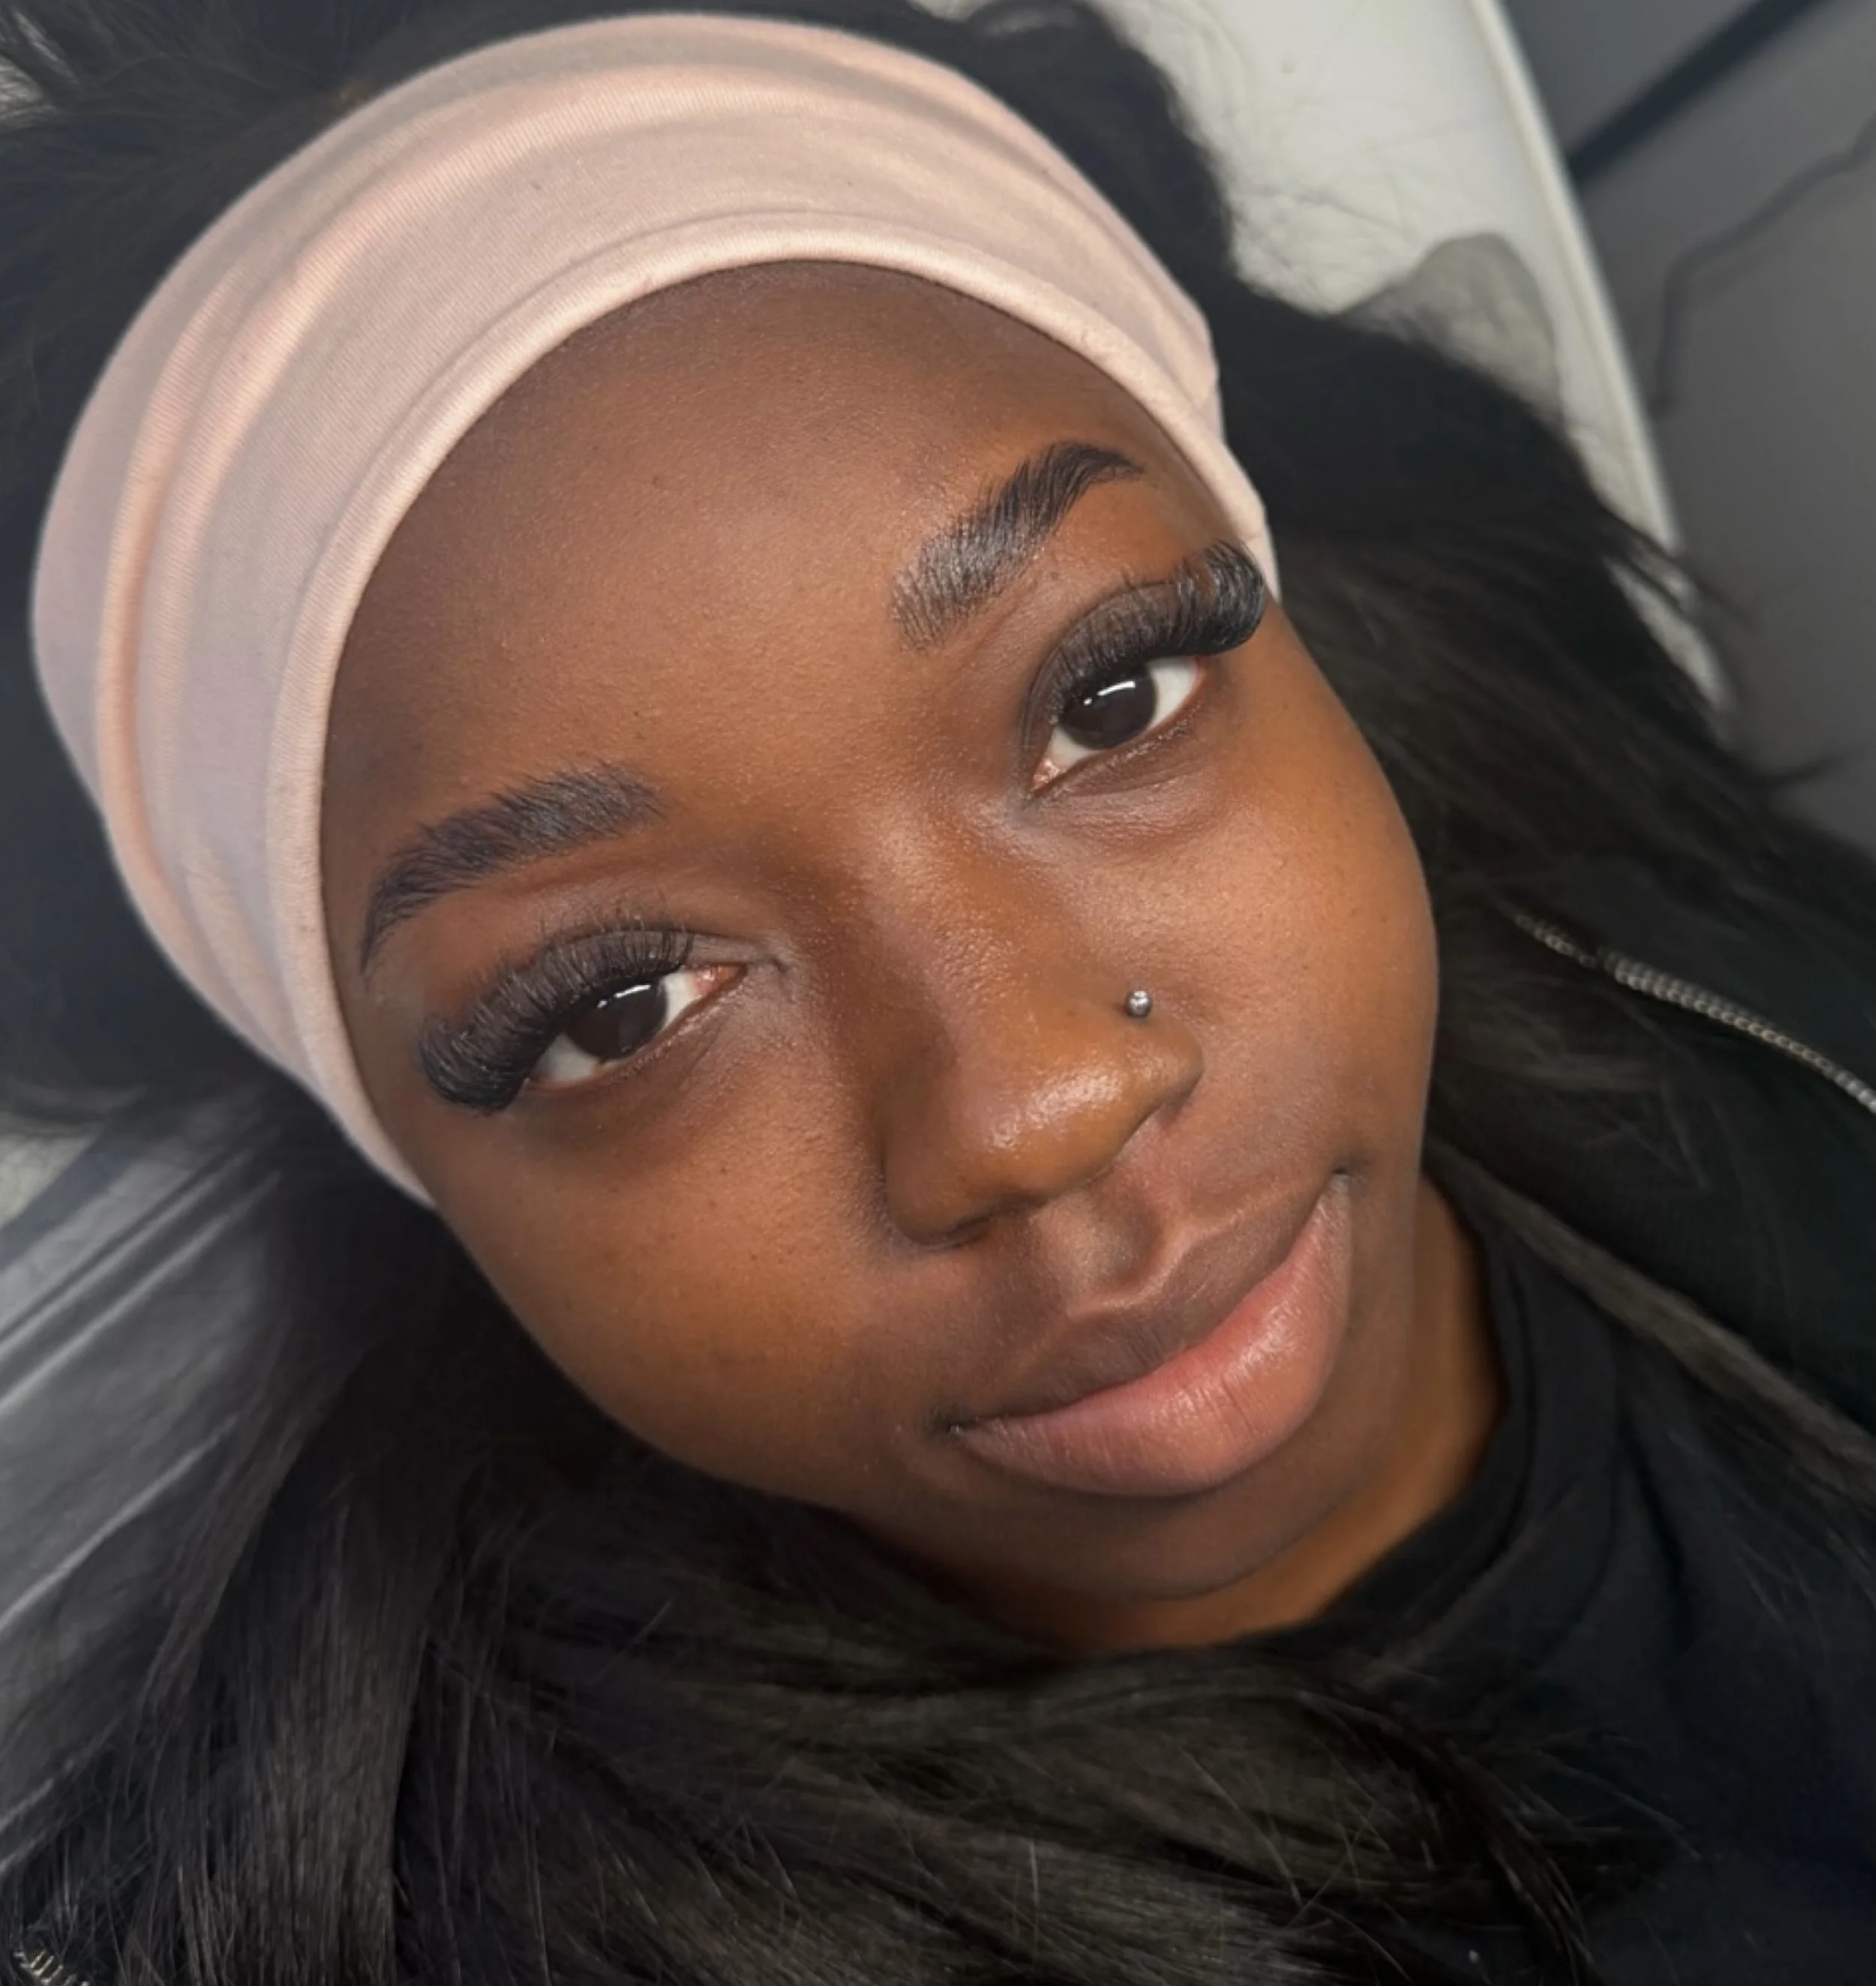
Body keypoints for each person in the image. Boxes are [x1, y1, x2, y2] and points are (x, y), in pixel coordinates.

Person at [1, 1, 1871, 1981]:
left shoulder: (1677, 943)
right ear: (404, 1156)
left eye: (1108, 698)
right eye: (619, 1006)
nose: (1034, 1107)